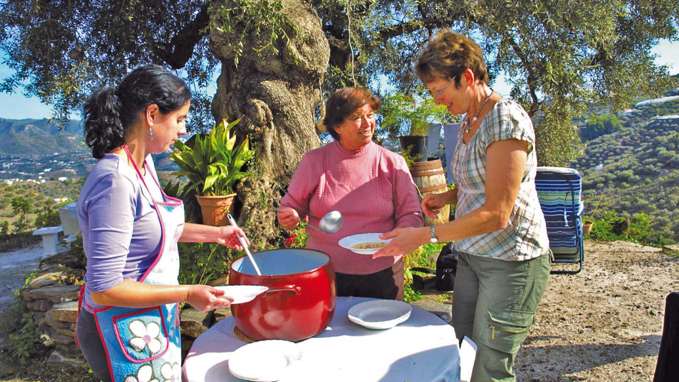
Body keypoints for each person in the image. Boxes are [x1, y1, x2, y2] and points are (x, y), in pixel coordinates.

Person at [374, 30, 551, 381]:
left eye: (440, 91)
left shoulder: (505, 119)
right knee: (460, 346)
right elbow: (483, 182)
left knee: (489, 364)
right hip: (472, 254)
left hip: (511, 261)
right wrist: (448, 197)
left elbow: (499, 213)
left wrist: (425, 235)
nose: (437, 100)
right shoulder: (468, 119)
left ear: (467, 77)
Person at [76, 65, 245, 382]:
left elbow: (159, 229)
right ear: (152, 114)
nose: (184, 130)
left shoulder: (142, 165)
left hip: (146, 319)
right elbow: (105, 289)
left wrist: (218, 234)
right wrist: (188, 293)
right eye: (179, 119)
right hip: (121, 329)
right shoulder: (115, 182)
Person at [277, 87, 423, 299]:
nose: (367, 124)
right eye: (356, 118)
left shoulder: (392, 162)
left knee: (382, 332)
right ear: (337, 126)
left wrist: (401, 234)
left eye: (370, 115)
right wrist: (289, 214)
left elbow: (411, 213)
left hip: (383, 273)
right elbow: (291, 205)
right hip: (326, 273)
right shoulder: (315, 161)